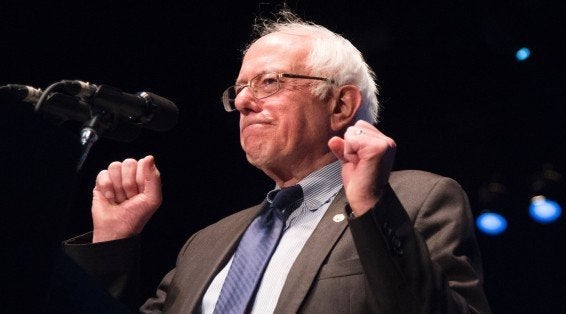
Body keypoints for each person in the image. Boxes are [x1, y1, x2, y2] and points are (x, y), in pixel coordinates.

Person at [62, 9, 490, 313]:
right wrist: (111, 243)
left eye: (270, 82)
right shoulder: (206, 243)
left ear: (341, 105)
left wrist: (371, 206)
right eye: (240, 89)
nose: (244, 101)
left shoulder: (417, 198)